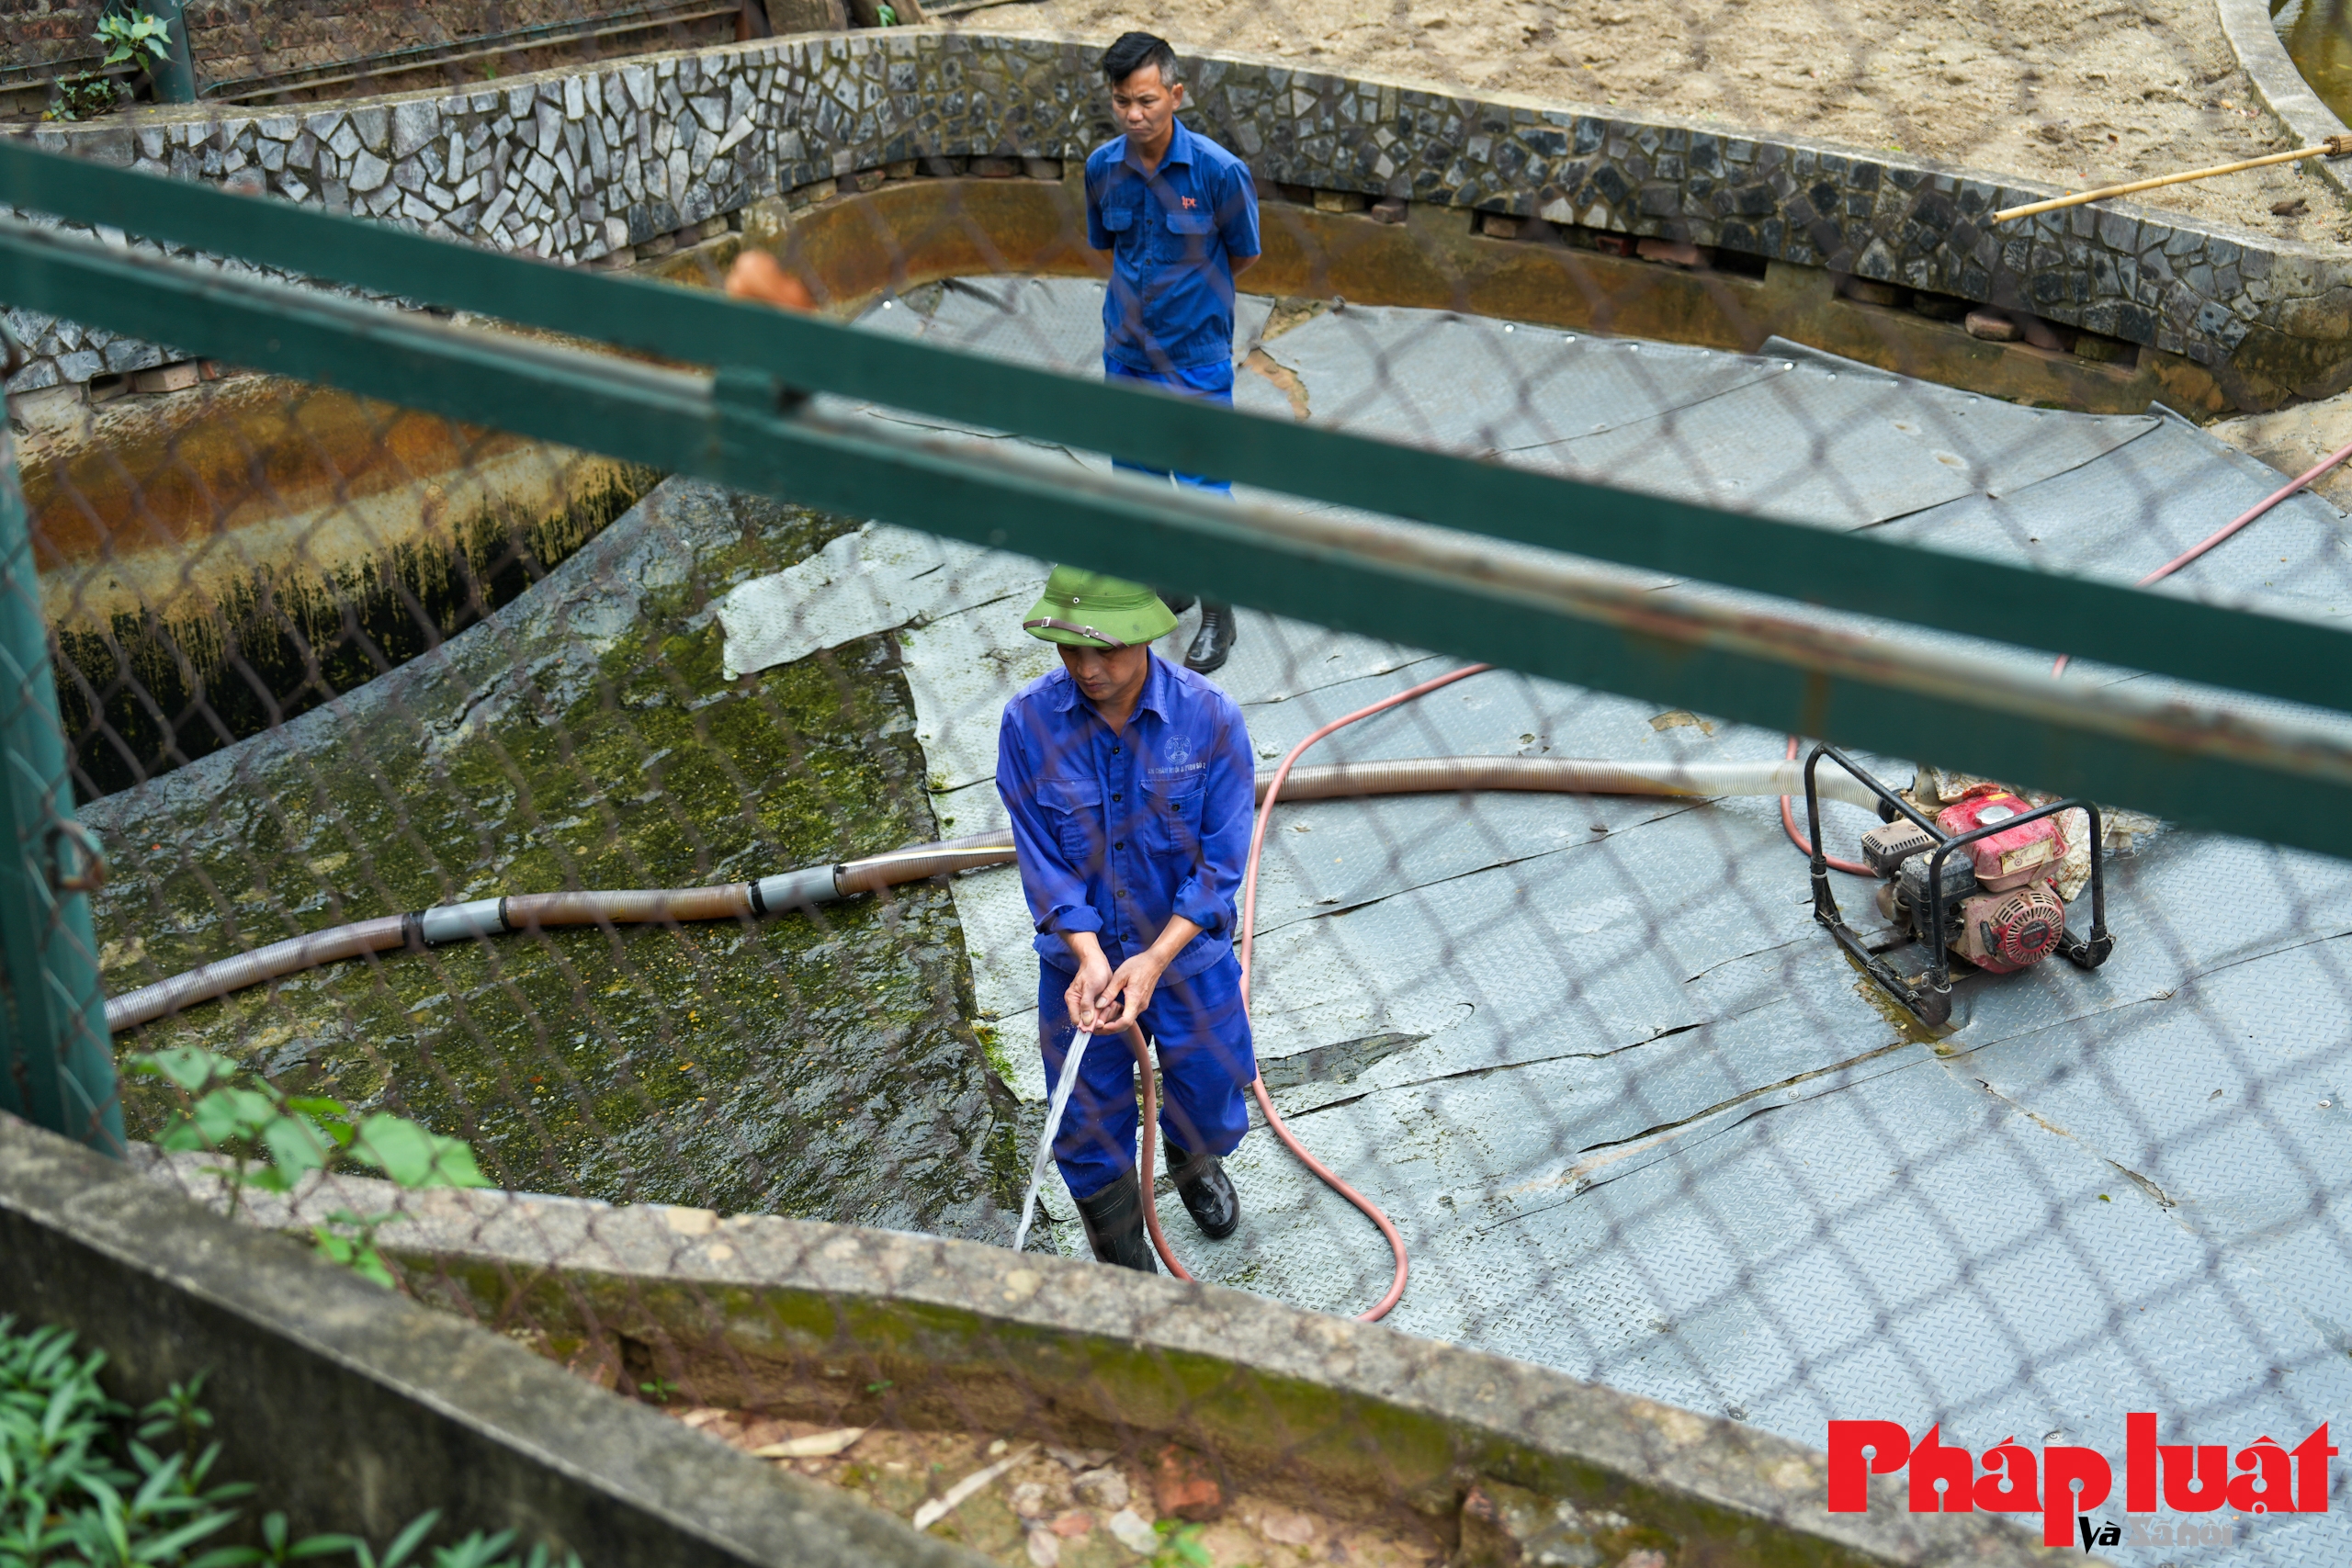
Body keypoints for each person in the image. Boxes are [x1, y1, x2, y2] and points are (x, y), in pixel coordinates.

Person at [998, 565, 1255, 1269]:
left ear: (1146, 636)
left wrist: (1156, 956)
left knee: (1210, 1082)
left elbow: (1221, 865)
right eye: (1069, 649)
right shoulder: (1026, 724)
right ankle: (1124, 1264)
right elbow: (1041, 855)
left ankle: (1190, 1160)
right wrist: (1087, 953)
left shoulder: (1210, 720)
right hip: (1081, 963)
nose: (1086, 669)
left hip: (1186, 957)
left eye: (1105, 649)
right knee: (1083, 1122)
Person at [1087, 32, 1261, 676]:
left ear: (1176, 94)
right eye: (1121, 102)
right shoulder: (1103, 167)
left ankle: (1219, 610)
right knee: (1137, 483)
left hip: (1195, 358)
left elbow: (1242, 254)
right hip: (1126, 354)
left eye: (1147, 101)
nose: (1134, 115)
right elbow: (1106, 243)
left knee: (1202, 490)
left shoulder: (1219, 172)